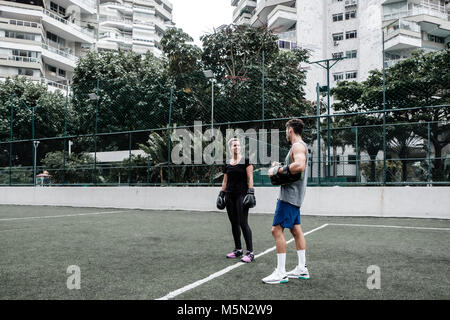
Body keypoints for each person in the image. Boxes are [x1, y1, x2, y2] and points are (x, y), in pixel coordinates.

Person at [262, 119, 309, 284]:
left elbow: (300, 165)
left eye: (286, 130)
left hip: (289, 196)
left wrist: (278, 170)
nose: (285, 133)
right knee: (296, 230)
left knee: (276, 230)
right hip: (295, 196)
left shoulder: (297, 146)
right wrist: (281, 165)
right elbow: (294, 167)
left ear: (290, 130)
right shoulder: (299, 147)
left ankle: (281, 272)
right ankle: (302, 269)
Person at [219, 138, 255, 263]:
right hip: (229, 195)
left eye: (238, 145)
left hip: (241, 194)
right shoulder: (228, 163)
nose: (237, 147)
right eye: (234, 145)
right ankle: (238, 249)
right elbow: (225, 181)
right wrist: (221, 194)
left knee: (243, 222)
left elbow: (250, 177)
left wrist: (251, 192)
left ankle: (250, 252)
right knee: (234, 223)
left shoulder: (246, 160)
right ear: (230, 148)